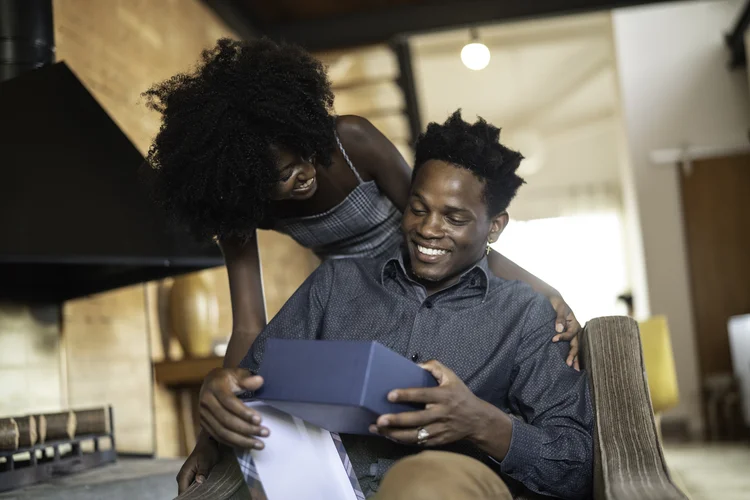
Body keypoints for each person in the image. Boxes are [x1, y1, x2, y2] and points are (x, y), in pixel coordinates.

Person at [182, 111, 593, 499]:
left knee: (421, 484)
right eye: (418, 209)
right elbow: (252, 380)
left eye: (454, 218)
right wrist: (219, 390)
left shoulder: (527, 317)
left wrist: (482, 422)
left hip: (446, 483)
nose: (429, 229)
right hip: (323, 481)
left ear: (495, 227)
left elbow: (577, 463)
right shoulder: (337, 283)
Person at [143, 38, 581, 376]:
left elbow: (442, 229)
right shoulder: (243, 211)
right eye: (284, 176)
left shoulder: (352, 141)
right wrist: (214, 429)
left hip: (424, 272)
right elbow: (248, 327)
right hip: (357, 299)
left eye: (304, 153)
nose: (307, 173)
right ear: (246, 186)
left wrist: (546, 291)